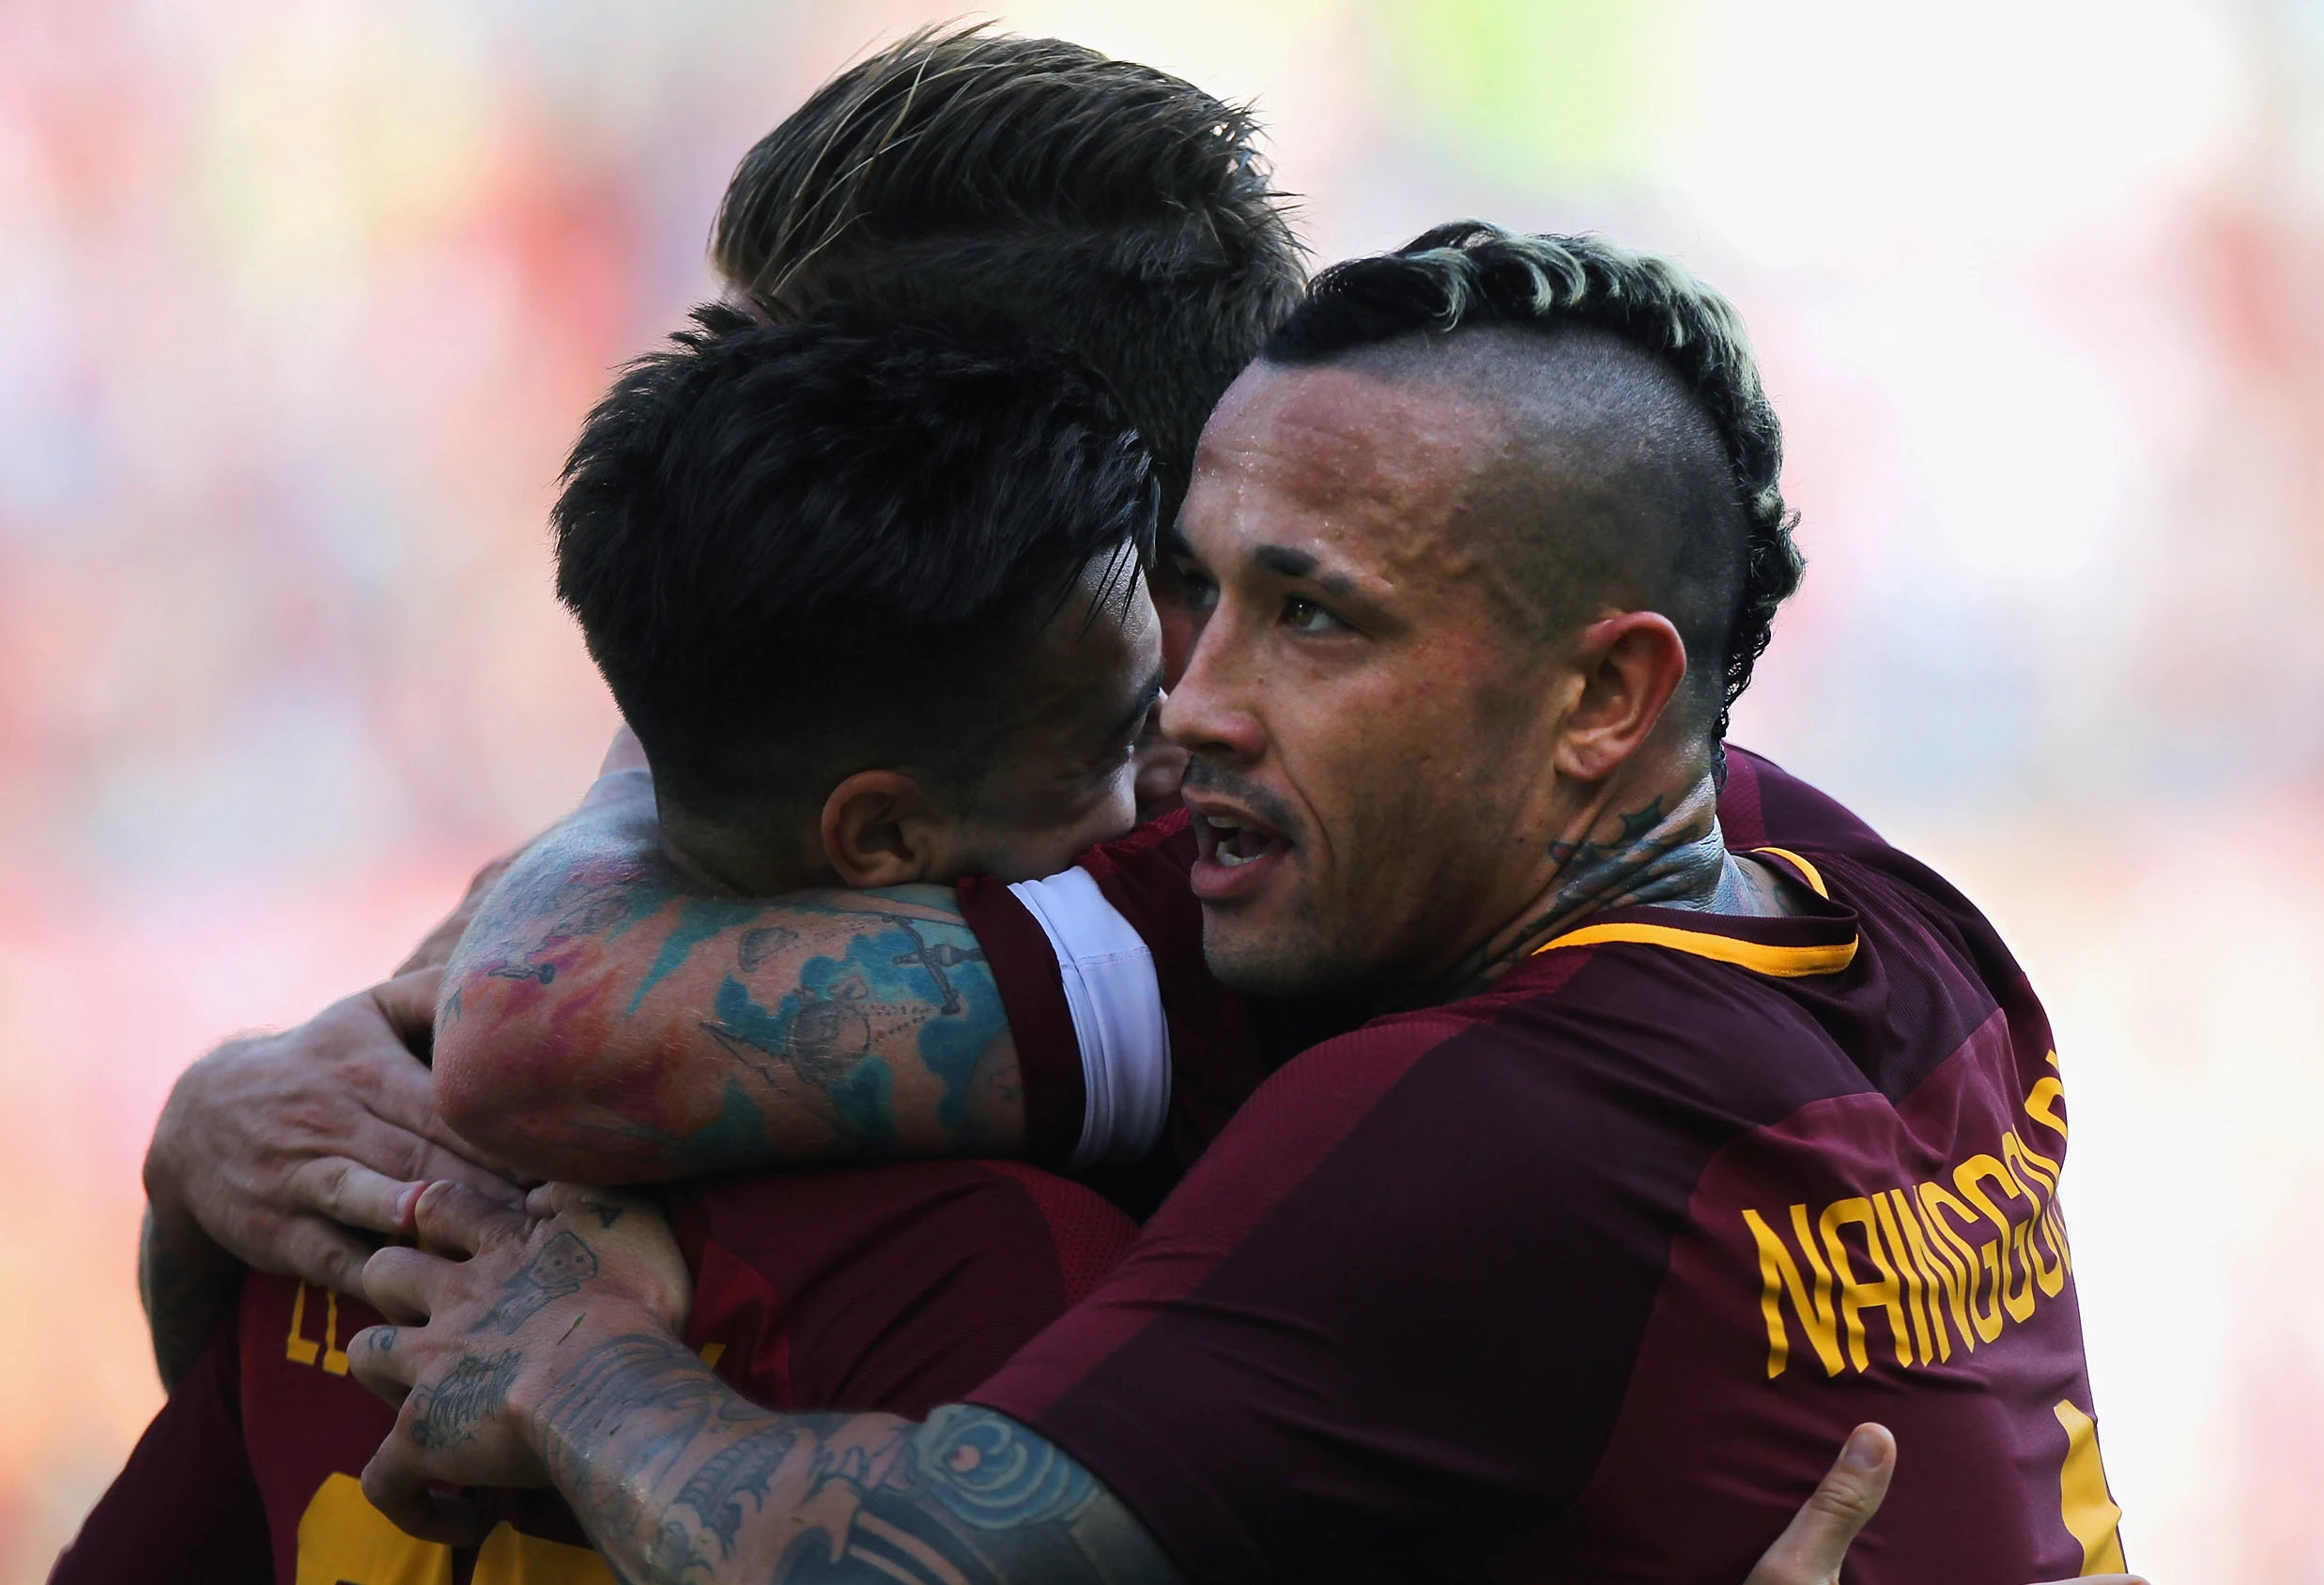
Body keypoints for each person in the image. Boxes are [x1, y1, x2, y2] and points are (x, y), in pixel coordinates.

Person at [351, 224, 2131, 1583]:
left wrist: (575, 1373)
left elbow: (921, 1557)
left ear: (1604, 703)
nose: (1190, 702)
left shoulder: (1478, 1121)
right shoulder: (1878, 904)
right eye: (1194, 592)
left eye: (1318, 618)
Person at [130, 21, 1301, 1393]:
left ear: (988, 456)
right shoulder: (820, 805)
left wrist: (211, 1144)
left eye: (768, 388)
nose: (705, 436)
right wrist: (205, 1146)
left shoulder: (1225, 898)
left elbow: (522, 1032)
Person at [55, 303, 1176, 1582]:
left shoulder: (355, 1164)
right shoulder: (996, 1270)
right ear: (880, 836)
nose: (1164, 787)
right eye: (1118, 741)